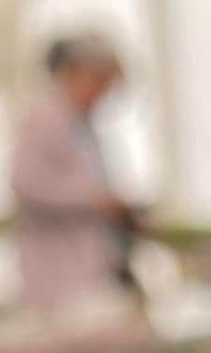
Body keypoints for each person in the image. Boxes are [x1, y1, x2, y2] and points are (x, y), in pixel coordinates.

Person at [11, 33, 134, 313]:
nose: (105, 93)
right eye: (101, 81)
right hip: (58, 273)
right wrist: (94, 200)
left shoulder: (83, 125)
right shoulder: (42, 120)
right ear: (75, 74)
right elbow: (24, 182)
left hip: (91, 267)